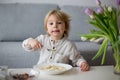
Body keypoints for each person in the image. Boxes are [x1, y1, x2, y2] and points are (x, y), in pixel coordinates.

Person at [22, 10, 90, 71]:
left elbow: (77, 58)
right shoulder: (42, 39)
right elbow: (26, 46)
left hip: (60, 74)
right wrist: (31, 41)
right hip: (41, 71)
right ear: (47, 29)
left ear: (65, 27)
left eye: (59, 23)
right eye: (51, 23)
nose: (55, 26)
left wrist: (82, 63)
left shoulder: (68, 45)